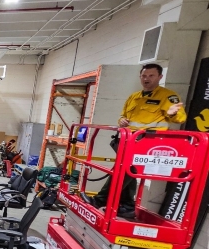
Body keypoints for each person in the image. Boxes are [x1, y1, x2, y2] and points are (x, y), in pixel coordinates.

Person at [80, 63, 186, 218]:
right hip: (127, 141)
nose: (146, 79)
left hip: (147, 143)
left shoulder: (167, 96)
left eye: (151, 75)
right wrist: (122, 121)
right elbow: (122, 116)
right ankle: (128, 206)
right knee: (130, 172)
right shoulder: (134, 97)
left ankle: (100, 200)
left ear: (160, 77)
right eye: (144, 75)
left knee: (123, 171)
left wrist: (171, 113)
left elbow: (180, 118)